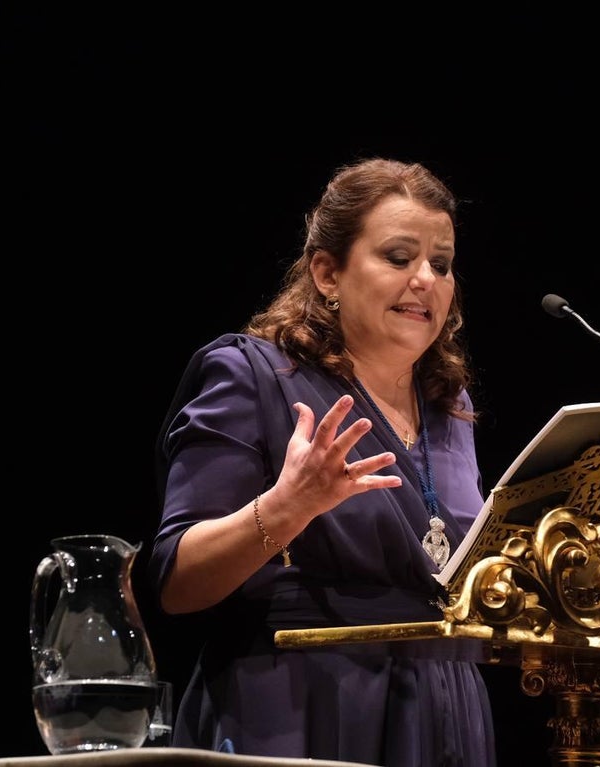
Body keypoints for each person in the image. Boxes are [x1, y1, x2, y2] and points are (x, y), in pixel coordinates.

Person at [147, 157, 497, 766]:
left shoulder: (450, 405)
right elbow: (178, 583)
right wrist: (286, 508)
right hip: (300, 702)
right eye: (397, 257)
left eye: (440, 264)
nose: (425, 280)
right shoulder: (253, 375)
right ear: (327, 273)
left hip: (444, 707)